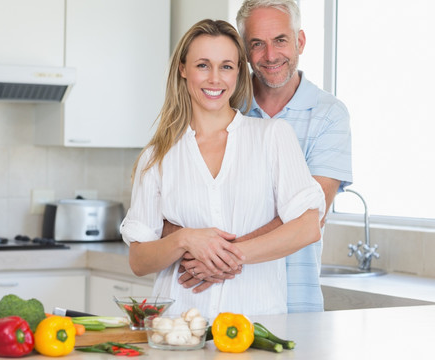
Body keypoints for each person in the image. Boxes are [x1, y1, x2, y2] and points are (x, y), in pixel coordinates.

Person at [120, 19, 325, 318]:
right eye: (203, 65)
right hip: (177, 329)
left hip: (256, 325)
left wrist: (227, 257)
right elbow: (139, 260)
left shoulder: (272, 136)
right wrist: (185, 239)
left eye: (226, 66)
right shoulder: (158, 155)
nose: (215, 79)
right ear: (183, 69)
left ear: (239, 71)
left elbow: (307, 227)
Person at [174, 0, 353, 313]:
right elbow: (170, 207)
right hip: (210, 300)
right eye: (257, 44)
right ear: (244, 51)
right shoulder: (218, 105)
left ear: (300, 41)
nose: (270, 56)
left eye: (280, 40)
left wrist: (219, 257)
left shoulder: (328, 115)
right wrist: (202, 249)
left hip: (295, 300)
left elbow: (309, 216)